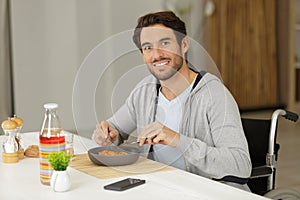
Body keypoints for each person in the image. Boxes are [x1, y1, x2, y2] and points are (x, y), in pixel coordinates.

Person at [93, 11, 252, 191]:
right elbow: (115, 129)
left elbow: (240, 165)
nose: (157, 54)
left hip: (207, 191)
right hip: (163, 188)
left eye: (165, 43)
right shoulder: (145, 90)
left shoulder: (214, 95)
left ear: (184, 45)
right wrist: (106, 135)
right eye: (147, 47)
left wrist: (177, 140)